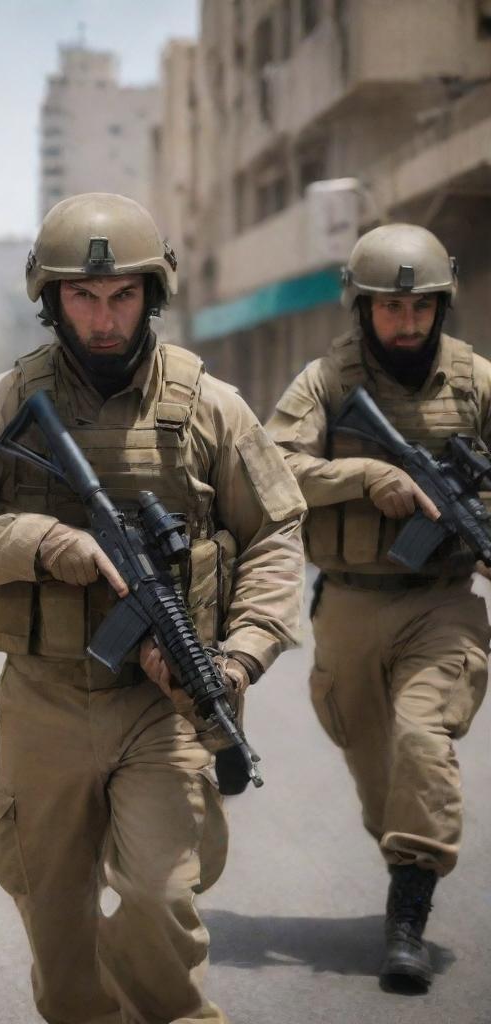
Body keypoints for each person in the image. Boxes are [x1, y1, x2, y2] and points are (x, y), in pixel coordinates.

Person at [0, 193, 305, 1024]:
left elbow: (275, 533)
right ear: (50, 299)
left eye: (121, 296)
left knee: (162, 902)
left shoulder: (209, 407)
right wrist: (40, 541)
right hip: (45, 698)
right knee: (61, 948)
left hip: (163, 710)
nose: (101, 317)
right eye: (82, 297)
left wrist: (241, 655)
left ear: (152, 295)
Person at [265, 223, 490, 991]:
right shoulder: (326, 381)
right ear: (361, 309)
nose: (406, 324)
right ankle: (405, 865)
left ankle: (408, 922)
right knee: (378, 772)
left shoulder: (474, 382)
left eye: (420, 308)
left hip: (442, 602)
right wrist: (362, 475)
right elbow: (278, 464)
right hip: (351, 603)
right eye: (389, 309)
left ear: (440, 307)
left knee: (423, 741)